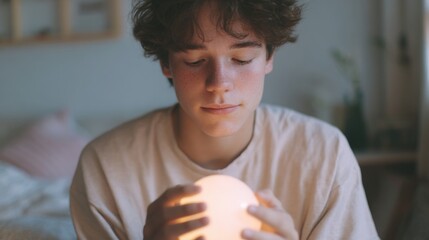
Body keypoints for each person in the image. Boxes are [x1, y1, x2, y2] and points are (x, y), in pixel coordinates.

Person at [70, 0, 380, 239]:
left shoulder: (323, 155)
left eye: (241, 59)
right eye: (195, 61)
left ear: (270, 57)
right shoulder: (106, 169)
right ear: (166, 63)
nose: (219, 83)